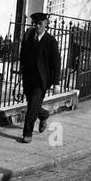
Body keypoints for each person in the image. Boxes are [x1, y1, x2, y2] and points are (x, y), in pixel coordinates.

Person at [18, 11, 61, 143]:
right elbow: (23, 55)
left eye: (39, 24)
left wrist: (56, 83)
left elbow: (56, 62)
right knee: (33, 104)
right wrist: (21, 70)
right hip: (29, 77)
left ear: (45, 25)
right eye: (35, 24)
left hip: (42, 80)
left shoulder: (51, 41)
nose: (36, 26)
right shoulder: (28, 36)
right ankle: (44, 114)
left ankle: (27, 134)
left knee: (33, 105)